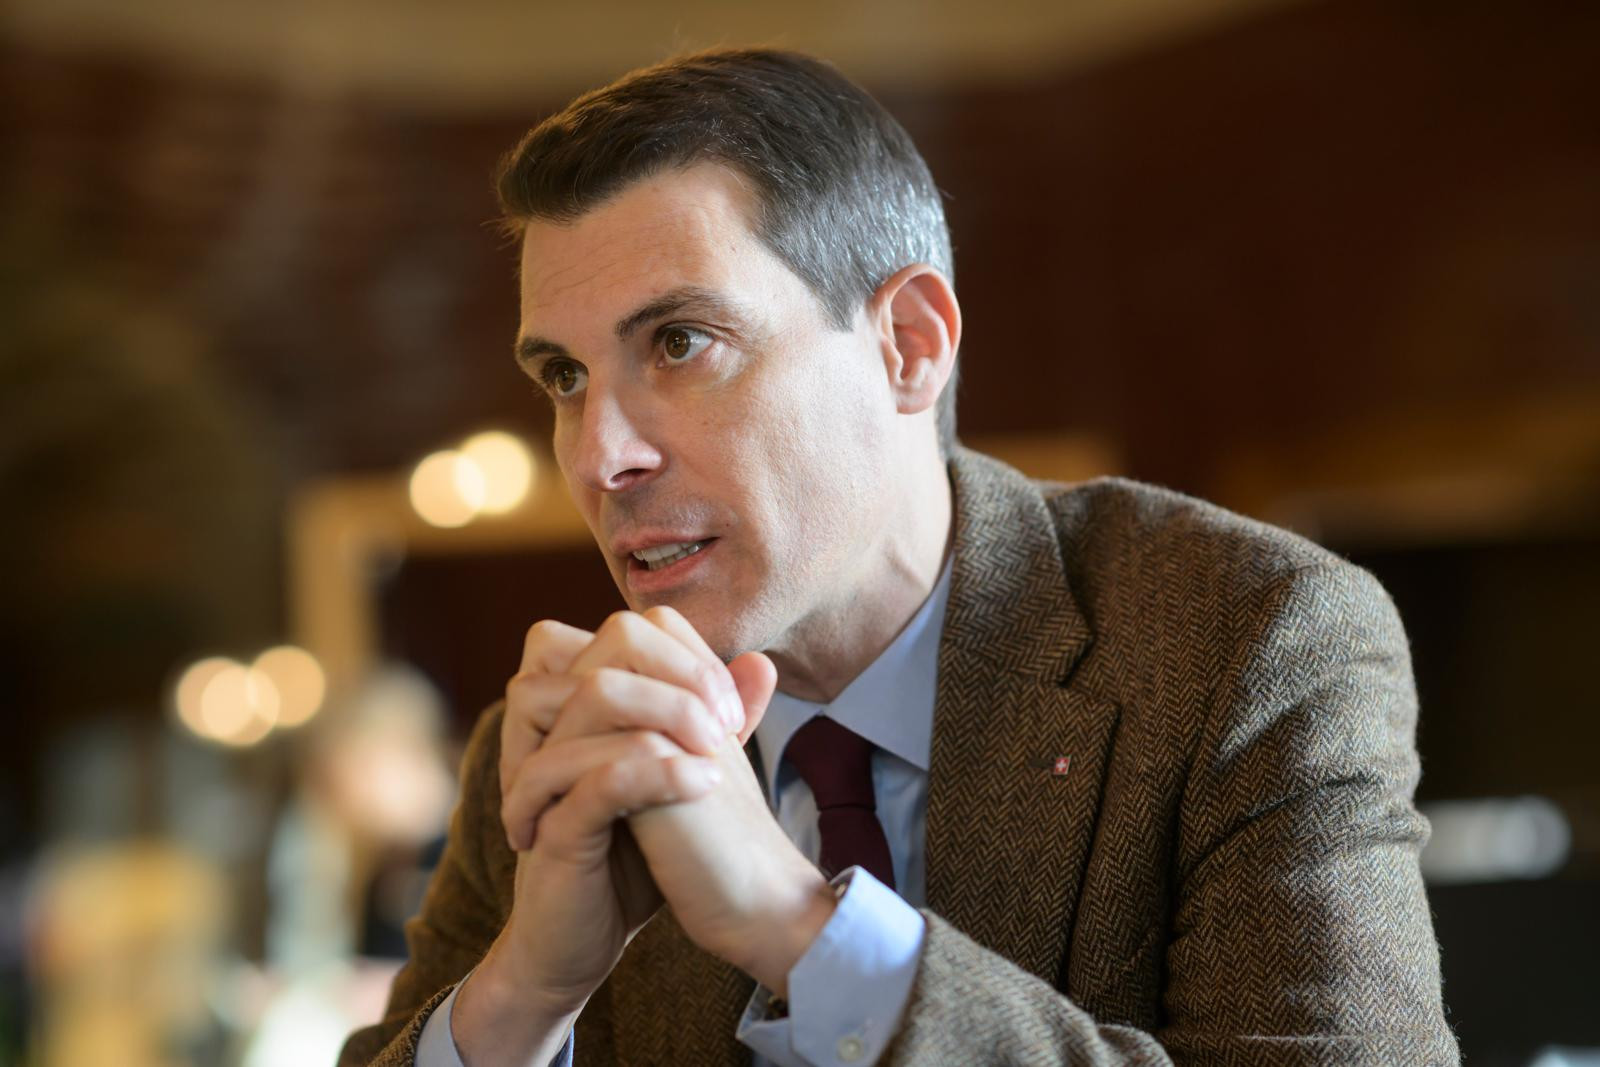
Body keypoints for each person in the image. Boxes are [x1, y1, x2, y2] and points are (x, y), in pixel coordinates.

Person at [340, 48, 1457, 1067]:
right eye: (565, 378)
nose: (600, 455)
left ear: (907, 345)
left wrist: (796, 925)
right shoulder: (557, 750)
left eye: (679, 343)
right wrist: (524, 995)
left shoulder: (1249, 642)